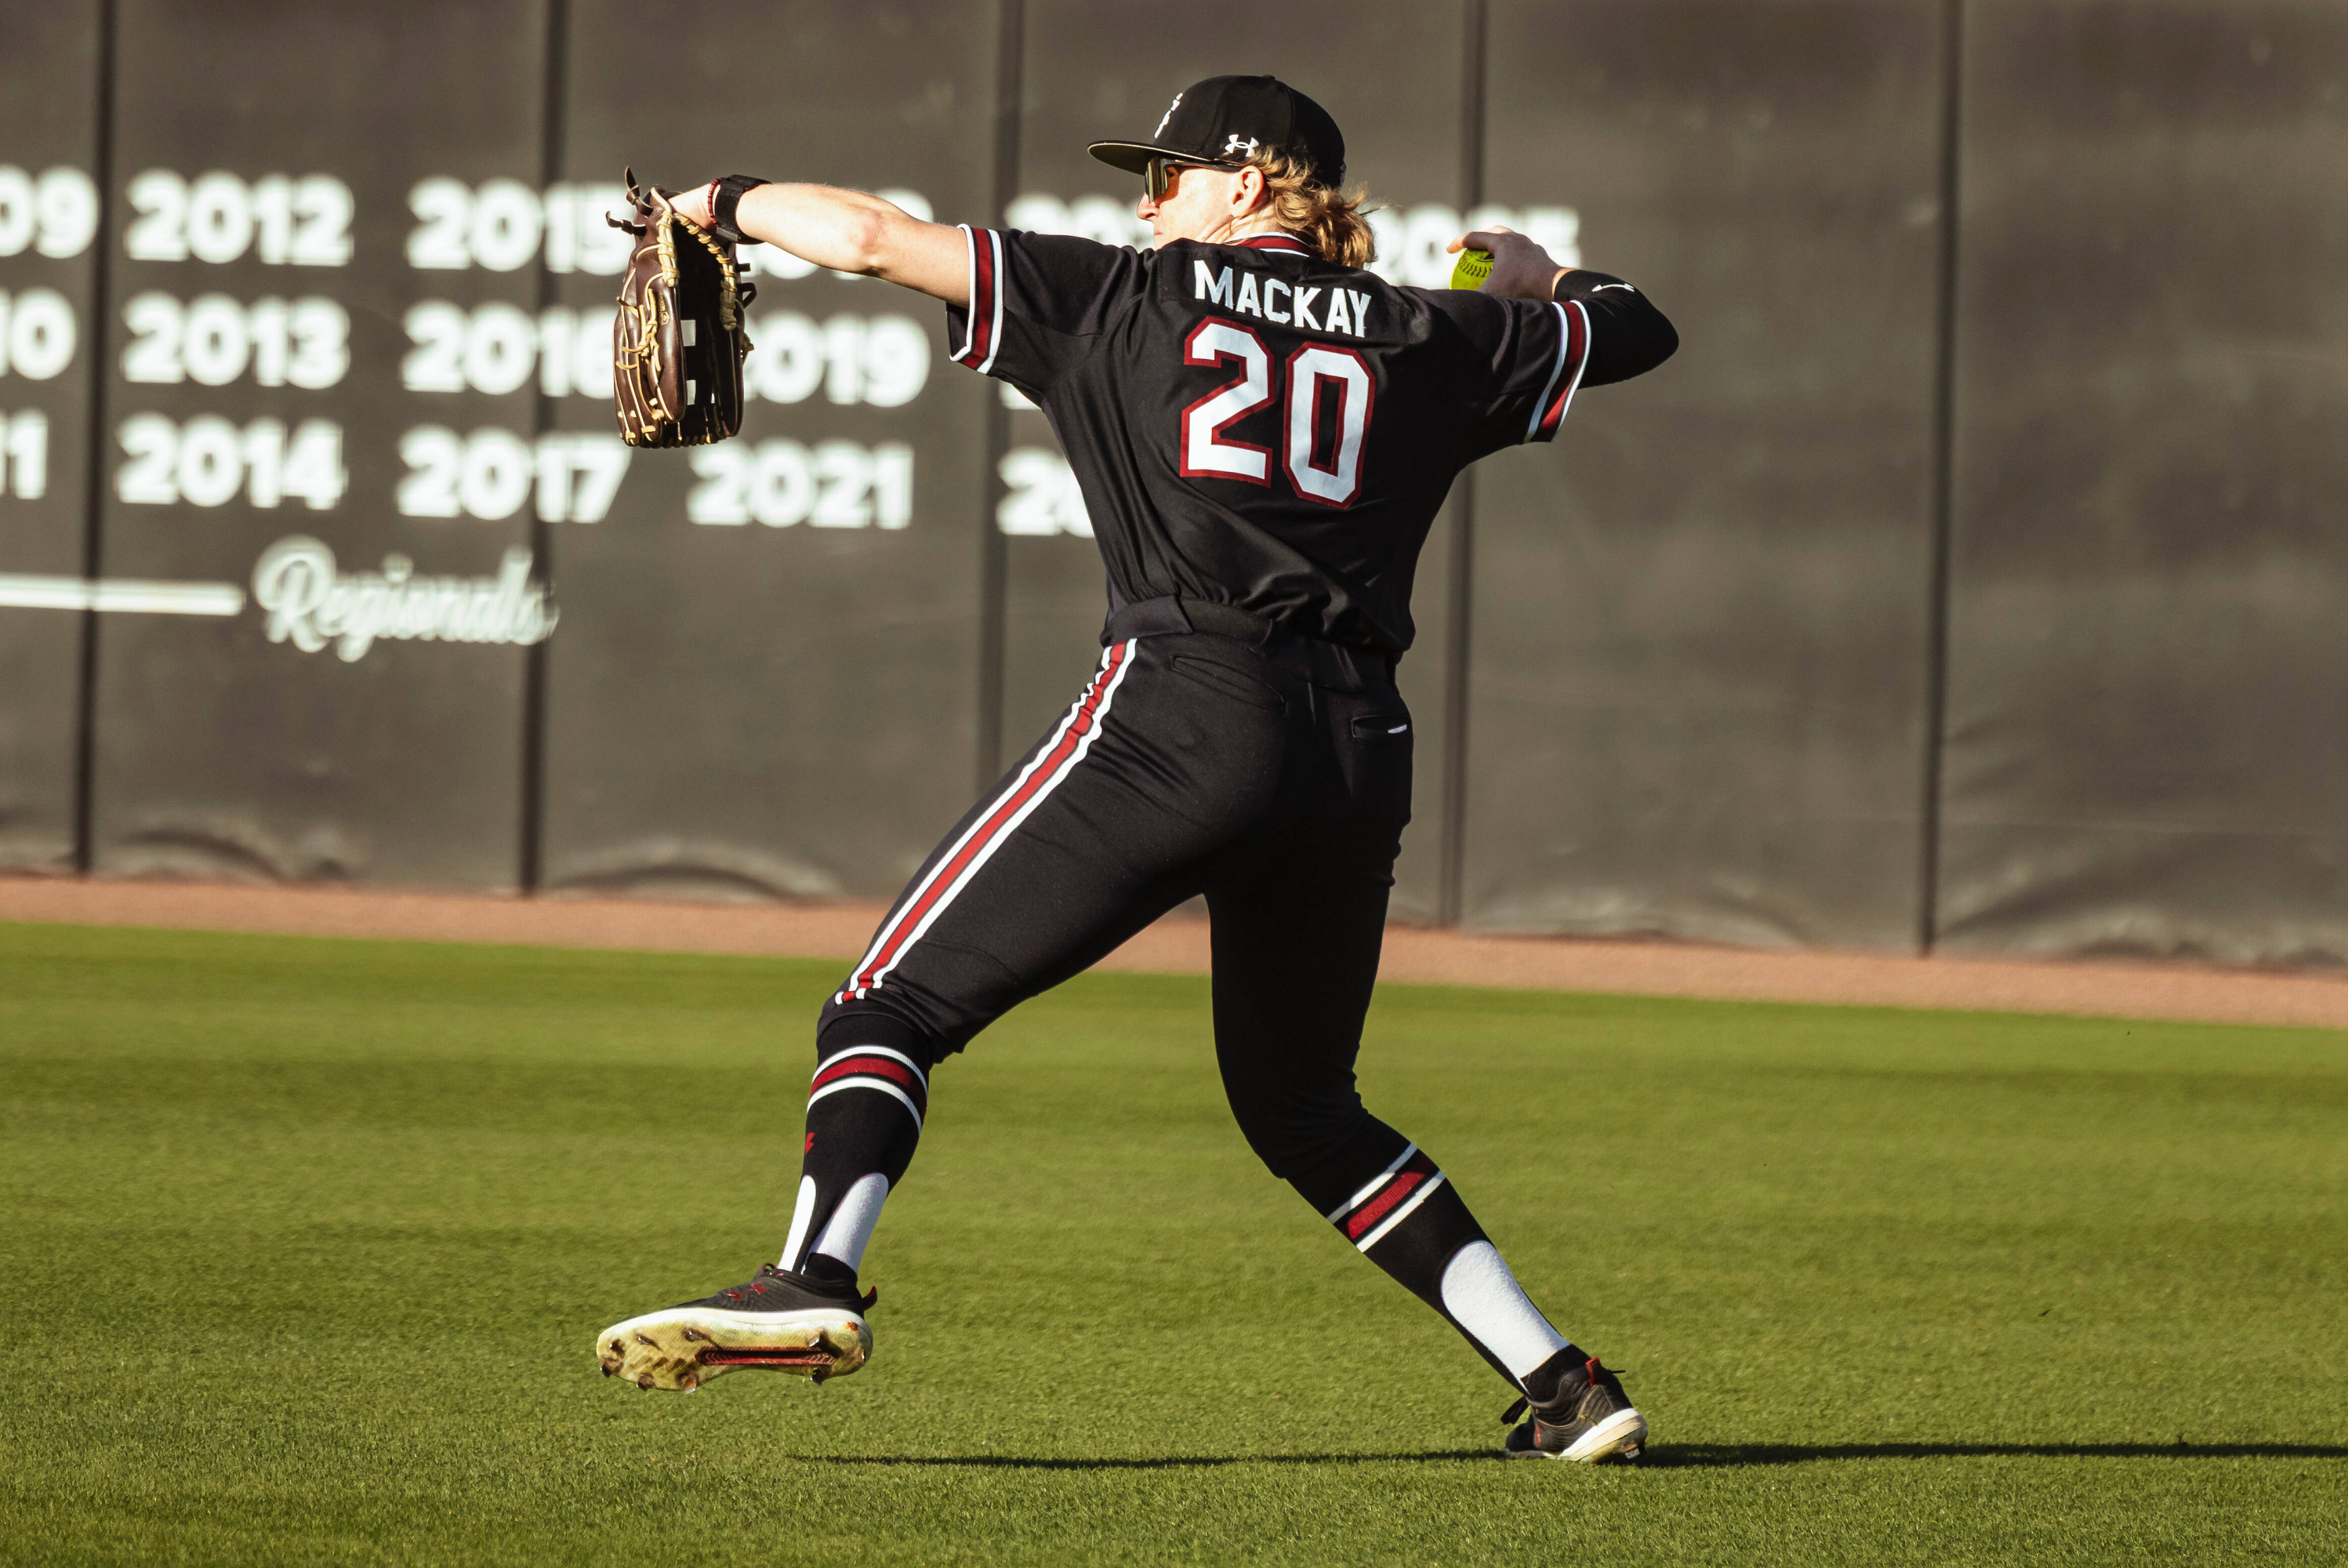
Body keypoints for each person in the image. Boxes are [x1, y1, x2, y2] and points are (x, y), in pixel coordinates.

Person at [593, 74, 1677, 1464]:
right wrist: (1541, 279)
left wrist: (717, 202)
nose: (1144, 197)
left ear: (1249, 184)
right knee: (1303, 1106)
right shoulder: (1436, 334)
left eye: (1168, 174)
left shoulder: (1117, 297)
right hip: (1354, 750)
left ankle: (812, 1276)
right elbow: (1636, 326)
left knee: (889, 1004)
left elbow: (865, 235)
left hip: (1183, 707)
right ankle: (1566, 1383)